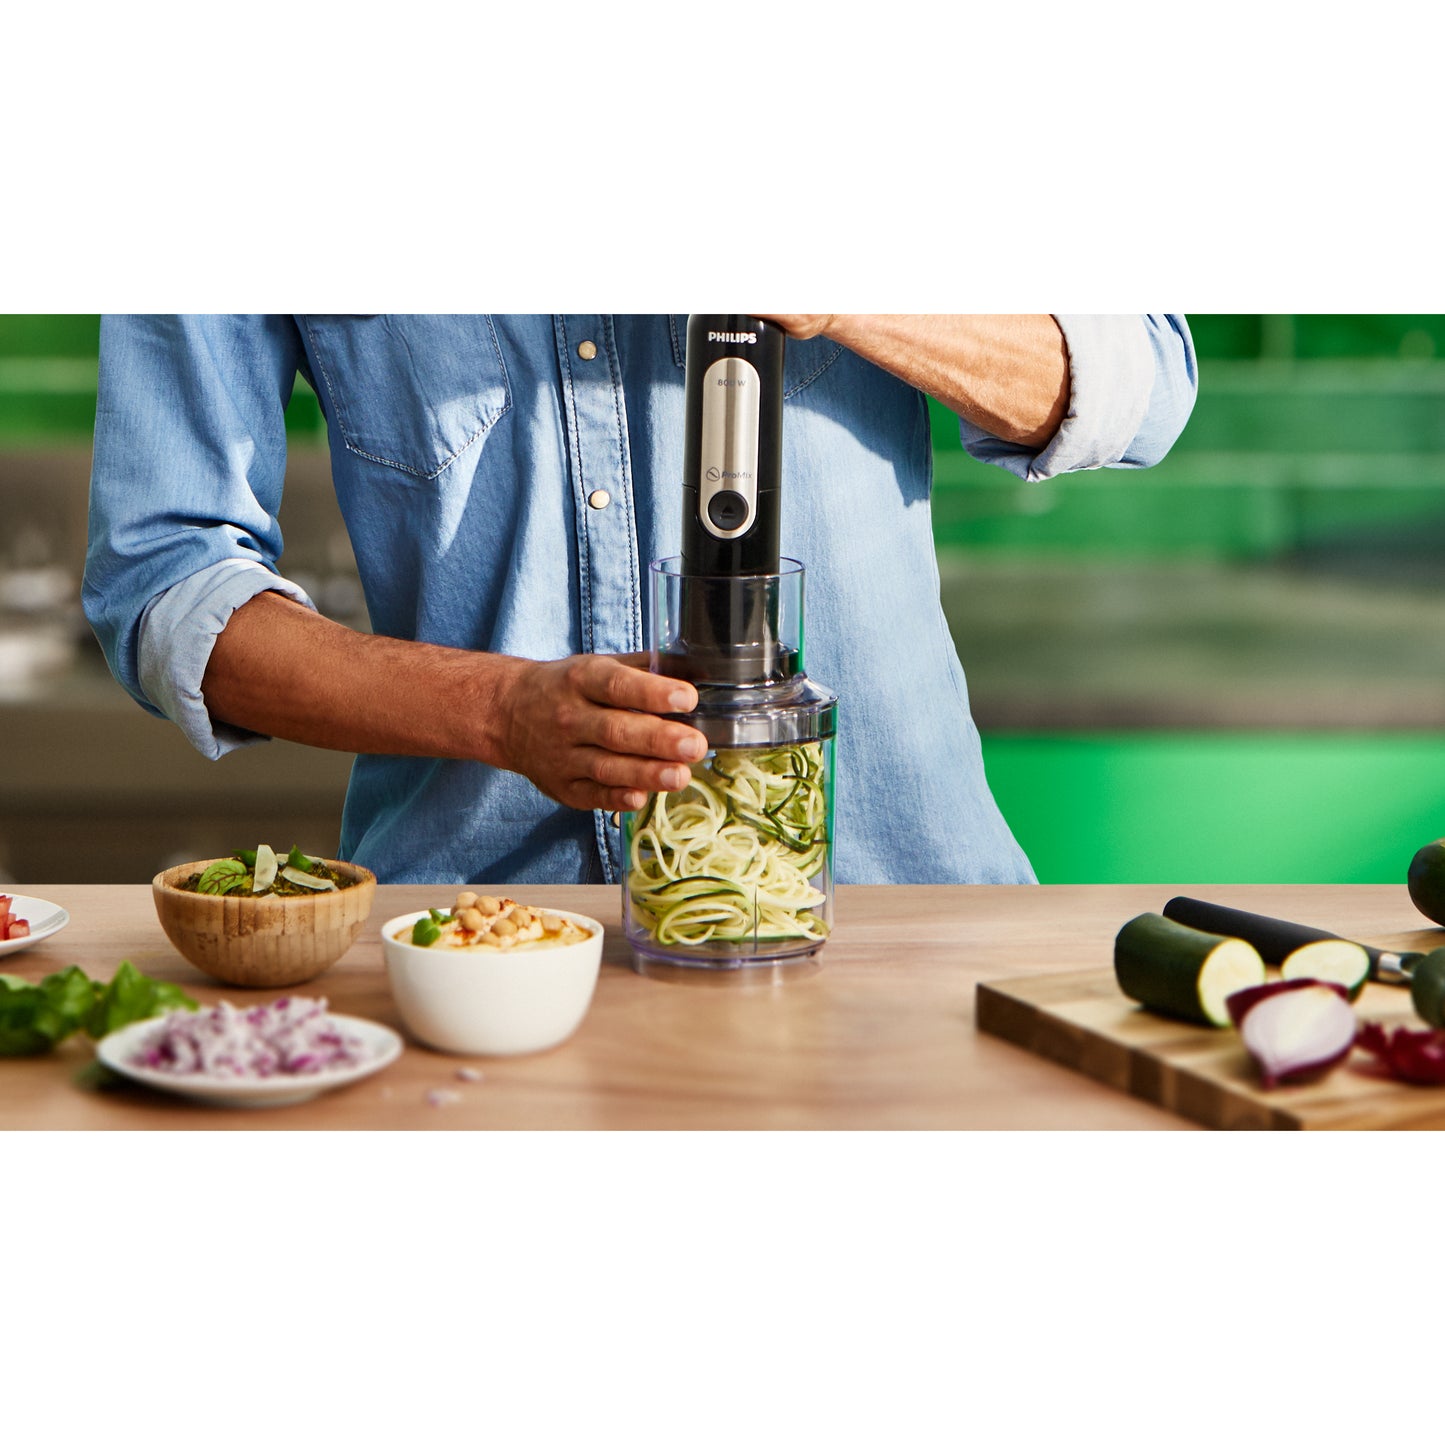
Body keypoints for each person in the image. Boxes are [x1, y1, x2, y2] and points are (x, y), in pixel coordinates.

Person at [83, 314, 1197, 885]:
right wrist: (496, 710)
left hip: (893, 904)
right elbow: (162, 581)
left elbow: (1140, 386)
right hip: (483, 948)